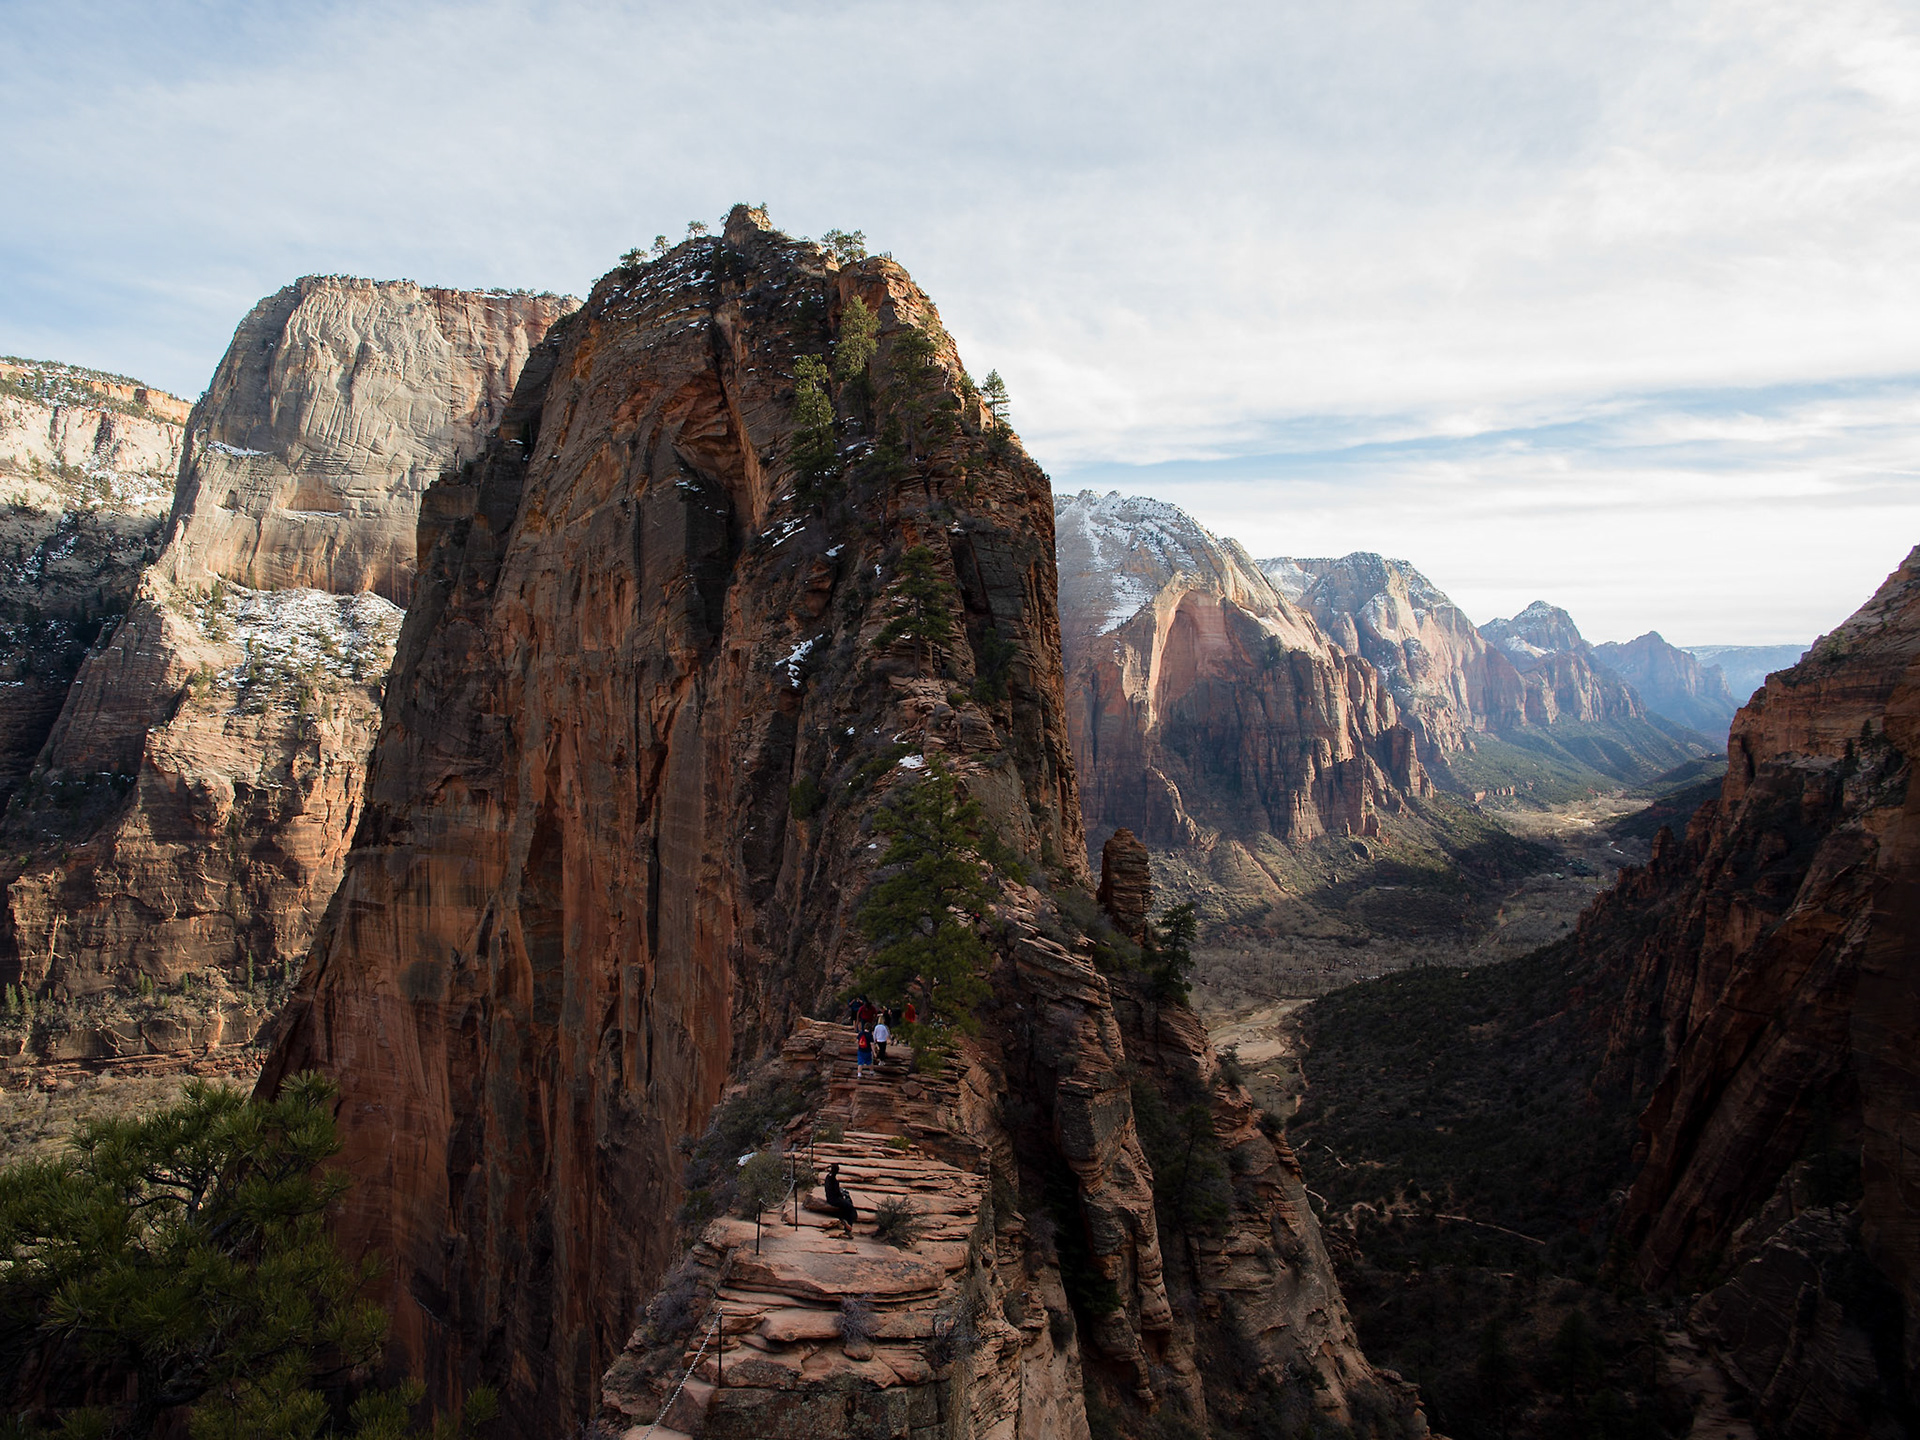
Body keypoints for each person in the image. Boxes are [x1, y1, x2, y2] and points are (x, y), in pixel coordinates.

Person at [824, 1163, 858, 1237]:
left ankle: (846, 1223)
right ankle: (848, 1226)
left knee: (846, 1205)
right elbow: (836, 1192)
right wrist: (842, 1195)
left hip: (830, 1198)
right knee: (850, 1206)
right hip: (834, 1200)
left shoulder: (828, 1177)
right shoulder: (833, 1180)